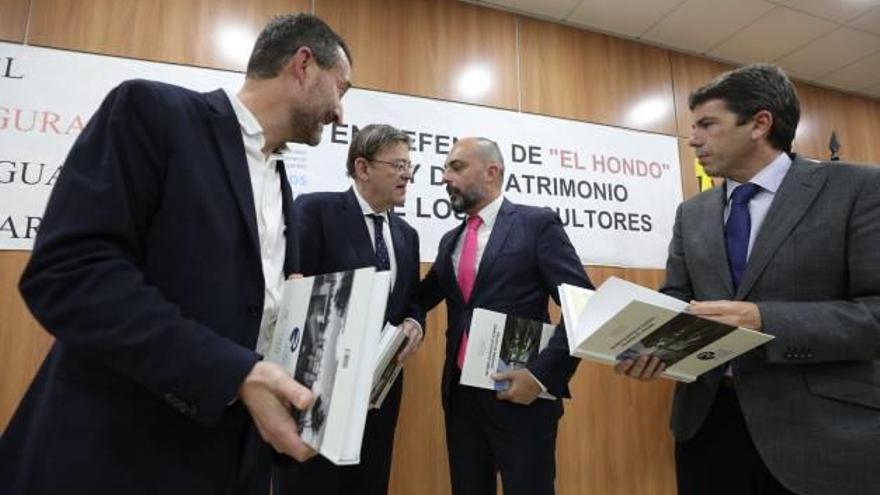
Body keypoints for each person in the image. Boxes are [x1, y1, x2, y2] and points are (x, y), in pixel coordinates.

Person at [0, 13, 352, 495]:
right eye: (341, 89)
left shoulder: (282, 183)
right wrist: (233, 372)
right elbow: (69, 274)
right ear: (303, 65)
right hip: (117, 457)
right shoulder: (152, 112)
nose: (342, 113)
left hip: (223, 465)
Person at [616, 64, 880, 495]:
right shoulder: (692, 213)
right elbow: (676, 298)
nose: (693, 138)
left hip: (823, 436)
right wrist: (652, 347)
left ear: (760, 123)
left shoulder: (859, 190)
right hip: (708, 429)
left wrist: (764, 320)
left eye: (707, 124)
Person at [417, 137, 593, 495]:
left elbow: (582, 303)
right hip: (462, 399)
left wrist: (541, 376)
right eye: (445, 168)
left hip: (520, 394)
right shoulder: (451, 240)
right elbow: (422, 296)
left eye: (456, 167)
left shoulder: (536, 224)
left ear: (491, 171)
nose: (445, 177)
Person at [274, 123, 425, 495]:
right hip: (317, 389)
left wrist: (415, 323)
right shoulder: (316, 210)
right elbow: (292, 292)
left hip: (380, 393)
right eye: (398, 165)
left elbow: (411, 299)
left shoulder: (407, 236)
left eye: (410, 166)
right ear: (362, 167)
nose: (407, 174)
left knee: (370, 482)